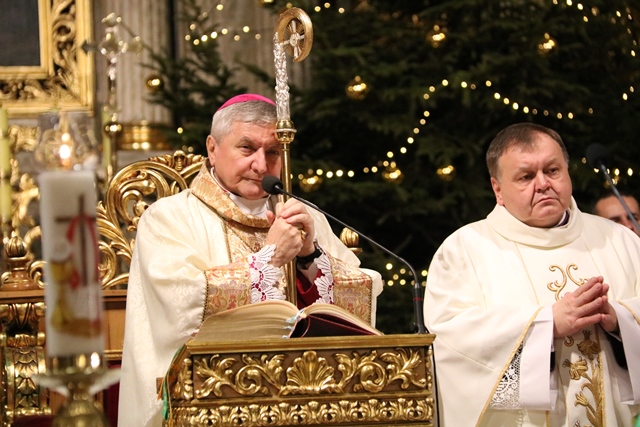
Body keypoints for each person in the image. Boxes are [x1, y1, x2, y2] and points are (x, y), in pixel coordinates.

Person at [117, 94, 383, 427]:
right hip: (212, 404)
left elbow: (357, 307)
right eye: (247, 148)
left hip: (306, 403)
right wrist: (268, 260)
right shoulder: (168, 218)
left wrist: (309, 258)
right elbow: (179, 305)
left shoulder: (304, 215)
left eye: (272, 152)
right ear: (212, 148)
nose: (261, 165)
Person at [423, 122, 640, 426]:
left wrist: (620, 319)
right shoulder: (463, 251)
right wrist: (546, 323)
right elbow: (452, 341)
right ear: (498, 189)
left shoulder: (621, 240)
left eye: (552, 171)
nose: (543, 184)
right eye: (526, 176)